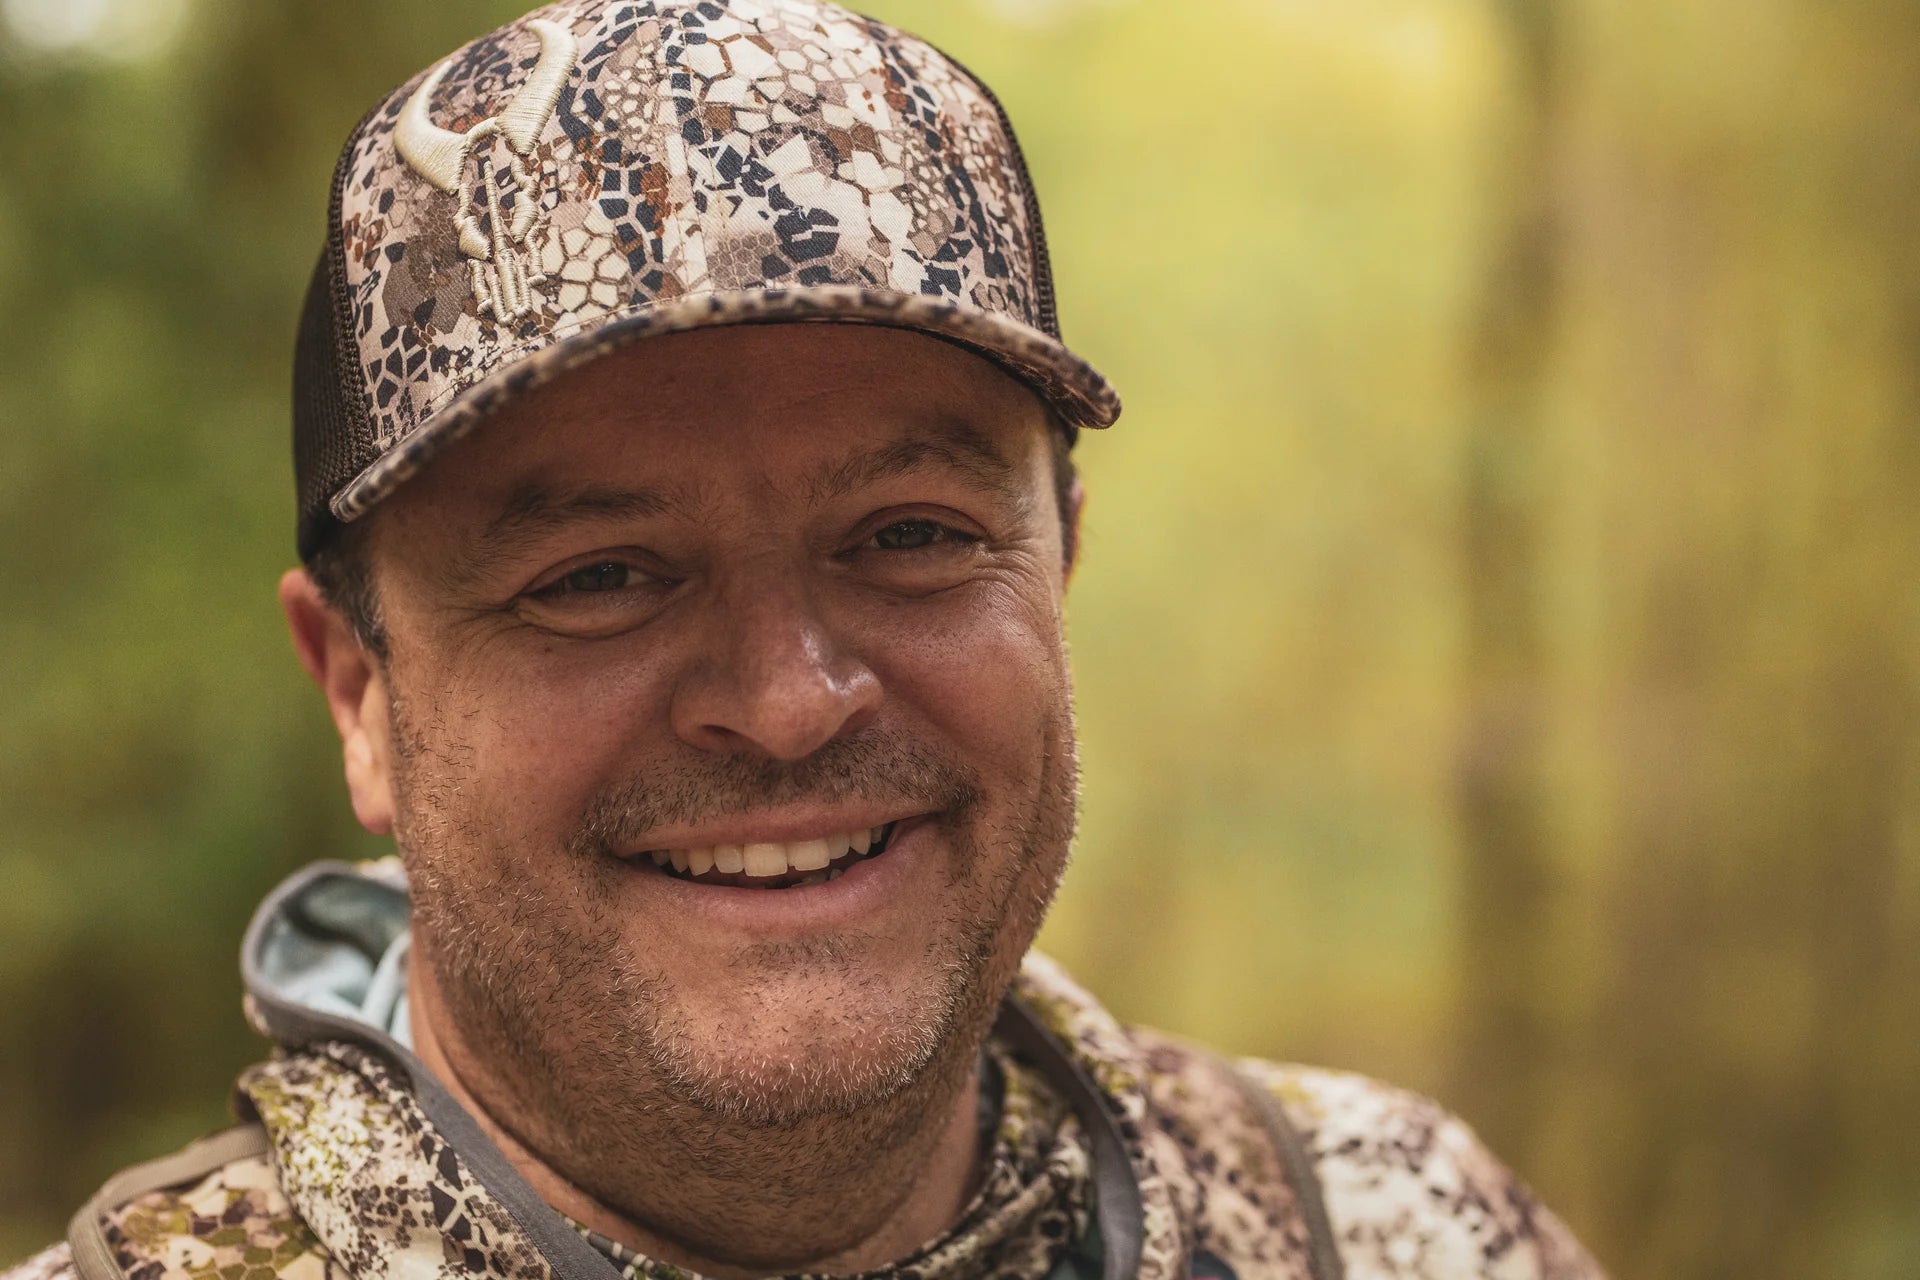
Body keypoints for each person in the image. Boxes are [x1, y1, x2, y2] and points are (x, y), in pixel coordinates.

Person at [6, 2, 1605, 1278]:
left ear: (1059, 567)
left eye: (908, 537)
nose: (786, 705)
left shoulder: (1396, 1229)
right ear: (360, 688)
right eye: (601, 575)